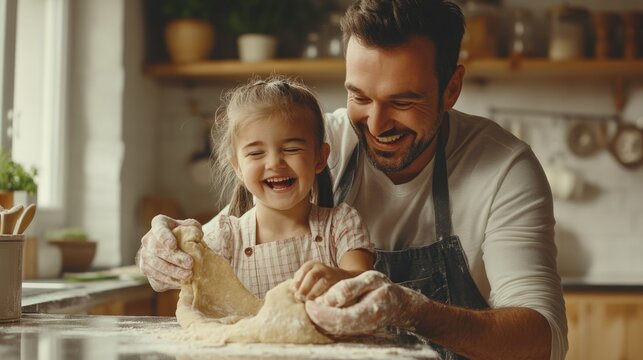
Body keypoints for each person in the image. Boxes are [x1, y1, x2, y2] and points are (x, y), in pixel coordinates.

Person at [137, 1, 567, 359]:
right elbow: (212, 248)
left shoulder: (504, 169)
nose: (377, 124)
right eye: (359, 96)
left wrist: (412, 310)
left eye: (403, 101)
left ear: (451, 88)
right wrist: (164, 254)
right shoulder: (315, 146)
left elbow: (543, 340)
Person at [166, 77, 374, 300]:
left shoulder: (341, 225)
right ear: (237, 167)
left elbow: (365, 282)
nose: (275, 163)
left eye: (292, 149)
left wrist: (339, 277)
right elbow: (175, 272)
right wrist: (166, 245)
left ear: (320, 158)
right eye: (256, 153)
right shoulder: (224, 238)